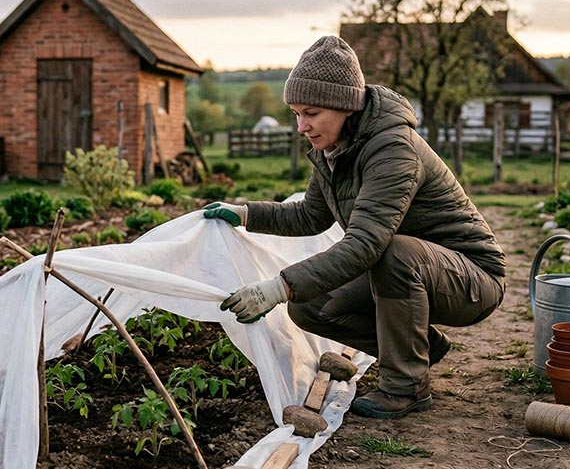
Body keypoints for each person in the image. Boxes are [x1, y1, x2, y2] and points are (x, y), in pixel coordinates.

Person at [204, 35, 506, 419]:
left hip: (473, 278)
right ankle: (421, 350)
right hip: (412, 268)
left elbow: (366, 244)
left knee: (394, 253)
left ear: (345, 104)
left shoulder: (393, 148)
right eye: (296, 113)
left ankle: (405, 386)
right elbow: (310, 216)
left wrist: (276, 287)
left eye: (311, 112)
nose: (302, 126)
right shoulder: (334, 148)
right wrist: (247, 214)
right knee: (310, 305)